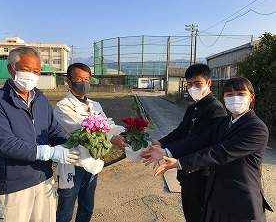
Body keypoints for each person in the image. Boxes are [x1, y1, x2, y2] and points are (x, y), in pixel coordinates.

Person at [149, 77, 273, 221]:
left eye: (240, 94)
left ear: (251, 97)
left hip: (241, 200)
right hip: (216, 196)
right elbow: (199, 140)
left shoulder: (256, 128)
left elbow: (219, 152)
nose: (235, 99)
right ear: (224, 98)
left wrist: (180, 163)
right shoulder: (223, 122)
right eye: (230, 95)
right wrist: (166, 151)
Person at [0, 46, 80, 222]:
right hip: (14, 185)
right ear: (11, 68)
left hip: (44, 180)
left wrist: (73, 147)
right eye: (26, 70)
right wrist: (48, 152)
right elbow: (4, 143)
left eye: (36, 71)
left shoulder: (41, 100)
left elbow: (54, 132)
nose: (32, 75)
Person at [141, 63, 227, 222]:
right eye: (189, 84)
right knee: (190, 213)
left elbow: (199, 140)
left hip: (201, 174)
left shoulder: (215, 109)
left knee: (200, 216)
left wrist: (166, 151)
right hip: (186, 173)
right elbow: (180, 132)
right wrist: (159, 143)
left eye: (197, 83)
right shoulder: (192, 107)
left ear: (208, 83)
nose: (193, 87)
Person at [53, 62, 127, 222]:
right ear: (69, 81)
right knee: (65, 211)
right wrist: (112, 138)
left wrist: (122, 134)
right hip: (73, 164)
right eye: (79, 79)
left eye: (87, 79)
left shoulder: (95, 105)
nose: (84, 83)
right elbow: (83, 130)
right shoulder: (63, 107)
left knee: (87, 209)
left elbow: (108, 125)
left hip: (92, 163)